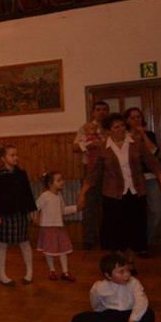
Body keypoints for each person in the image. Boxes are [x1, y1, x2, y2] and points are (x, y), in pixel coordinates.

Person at [78, 113, 161, 268]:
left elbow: (153, 163)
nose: (121, 129)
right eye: (116, 127)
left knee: (135, 228)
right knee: (116, 230)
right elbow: (92, 174)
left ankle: (130, 261)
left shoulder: (136, 143)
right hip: (112, 194)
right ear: (108, 130)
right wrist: (82, 194)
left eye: (122, 125)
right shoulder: (102, 148)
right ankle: (119, 262)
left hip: (136, 192)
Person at [48, 253, 155, 322]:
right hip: (110, 315)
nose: (127, 274)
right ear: (108, 276)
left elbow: (141, 301)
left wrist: (132, 321)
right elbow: (95, 302)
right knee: (80, 317)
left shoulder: (134, 283)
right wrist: (99, 314)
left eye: (127, 270)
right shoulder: (99, 287)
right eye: (121, 272)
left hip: (130, 315)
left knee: (148, 313)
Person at [0, 144, 37, 285]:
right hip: (4, 215)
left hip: (20, 213)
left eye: (16, 154)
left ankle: (29, 273)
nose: (15, 157)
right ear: (3, 158)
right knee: (2, 244)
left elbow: (28, 193)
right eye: (12, 155)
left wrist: (33, 210)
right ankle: (2, 275)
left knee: (25, 242)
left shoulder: (22, 174)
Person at [124, 107, 161, 248]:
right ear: (127, 120)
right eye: (133, 117)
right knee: (135, 213)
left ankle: (146, 240)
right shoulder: (124, 136)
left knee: (157, 211)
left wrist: (142, 134)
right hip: (133, 179)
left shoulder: (149, 134)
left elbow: (153, 152)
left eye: (138, 117)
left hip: (150, 177)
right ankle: (137, 244)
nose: (136, 120)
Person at [73, 100, 109, 249]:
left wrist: (101, 142)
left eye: (104, 109)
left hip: (110, 170)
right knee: (89, 206)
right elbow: (75, 146)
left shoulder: (111, 127)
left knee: (108, 206)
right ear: (93, 112)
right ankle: (89, 239)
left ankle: (107, 238)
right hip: (91, 169)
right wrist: (88, 145)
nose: (101, 112)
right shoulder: (86, 127)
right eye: (98, 109)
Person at [34, 171, 78, 281]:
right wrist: (35, 218)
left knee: (63, 249)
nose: (62, 182)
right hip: (47, 228)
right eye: (58, 180)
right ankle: (52, 271)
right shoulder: (45, 196)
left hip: (59, 227)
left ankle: (65, 272)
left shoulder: (59, 196)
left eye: (61, 179)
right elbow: (35, 207)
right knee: (49, 251)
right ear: (50, 183)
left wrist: (76, 208)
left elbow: (62, 210)